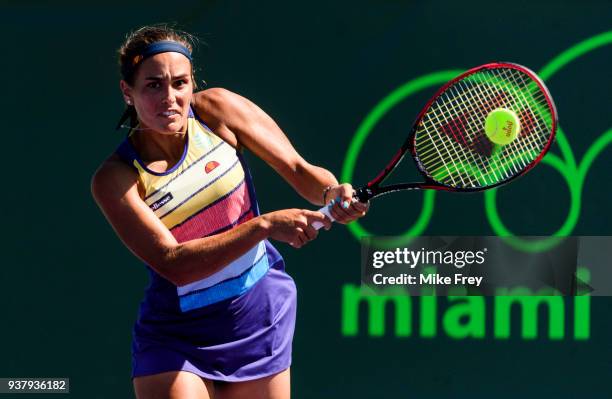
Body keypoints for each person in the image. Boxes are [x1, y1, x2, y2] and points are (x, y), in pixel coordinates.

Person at [91, 24, 368, 399]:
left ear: (192, 83)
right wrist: (264, 226)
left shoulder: (218, 109)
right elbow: (173, 263)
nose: (169, 98)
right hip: (177, 334)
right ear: (128, 92)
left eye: (180, 83)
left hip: (258, 314)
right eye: (153, 85)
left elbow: (299, 170)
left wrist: (331, 190)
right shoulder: (115, 178)